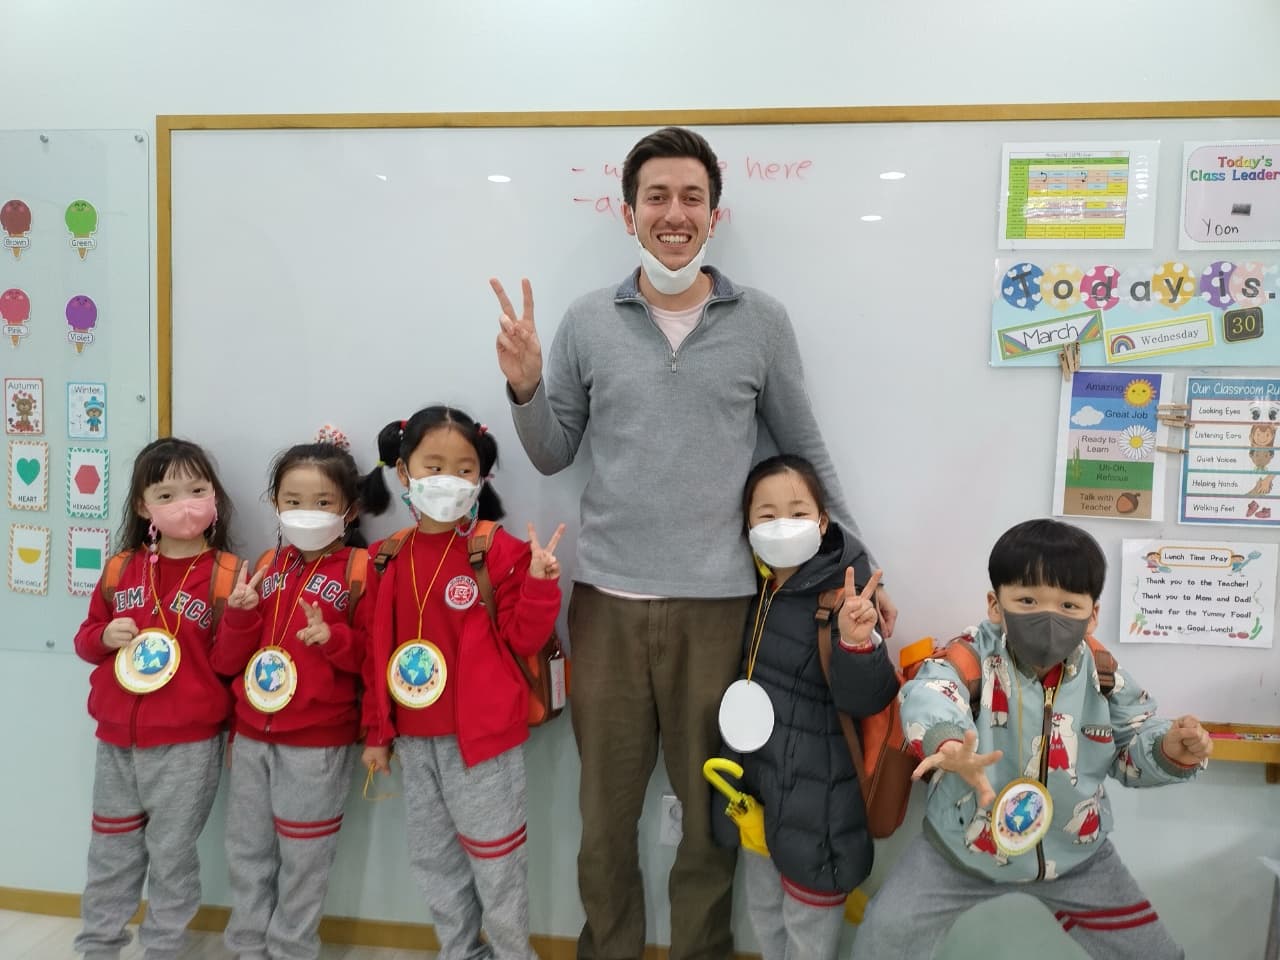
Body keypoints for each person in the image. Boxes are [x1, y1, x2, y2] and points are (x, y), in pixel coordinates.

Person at [490, 125, 897, 960]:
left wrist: (861, 564)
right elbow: (551, 452)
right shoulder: (585, 321)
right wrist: (526, 385)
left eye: (691, 198)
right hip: (606, 603)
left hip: (725, 610)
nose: (674, 214)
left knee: (709, 816)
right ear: (626, 211)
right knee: (604, 818)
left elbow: (804, 451)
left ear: (716, 213)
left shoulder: (761, 322)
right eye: (656, 197)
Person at [856, 518, 1212, 960]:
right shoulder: (972, 654)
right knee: (885, 933)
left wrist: (1170, 751)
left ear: (1093, 613)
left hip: (1078, 855)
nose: (1049, 618)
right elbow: (931, 692)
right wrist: (948, 743)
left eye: (1068, 604)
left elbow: (1132, 743)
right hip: (961, 848)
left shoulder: (1102, 673)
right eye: (1027, 600)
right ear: (994, 604)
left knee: (1152, 951)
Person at [360, 405, 564, 960]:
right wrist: (377, 733)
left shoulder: (498, 549)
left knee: (497, 863)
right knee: (434, 862)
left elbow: (524, 637)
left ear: (480, 478)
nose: (448, 479)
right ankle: (459, 952)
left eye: (463, 468)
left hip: (483, 746)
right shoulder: (383, 558)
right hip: (414, 740)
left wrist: (542, 583)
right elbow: (373, 656)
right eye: (433, 465)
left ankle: (511, 954)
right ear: (404, 473)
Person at [710, 455, 898, 960]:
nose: (781, 524)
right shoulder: (747, 587)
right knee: (766, 921)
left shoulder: (844, 598)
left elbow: (868, 697)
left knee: (808, 936)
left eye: (796, 512)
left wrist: (860, 643)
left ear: (822, 521)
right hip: (761, 791)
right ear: (747, 526)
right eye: (765, 514)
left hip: (822, 804)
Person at [72, 437, 245, 959]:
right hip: (117, 742)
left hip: (188, 745)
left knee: (171, 856)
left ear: (215, 499)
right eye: (166, 494)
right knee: (112, 852)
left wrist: (239, 616)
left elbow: (228, 667)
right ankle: (98, 946)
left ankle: (163, 949)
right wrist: (103, 638)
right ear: (144, 506)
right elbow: (86, 639)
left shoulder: (228, 573)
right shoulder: (121, 568)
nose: (184, 504)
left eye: (197, 489)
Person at [219, 428, 376, 960]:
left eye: (322, 502)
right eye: (293, 501)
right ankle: (246, 948)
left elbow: (372, 662)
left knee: (304, 860)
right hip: (251, 736)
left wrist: (334, 640)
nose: (306, 511)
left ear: (349, 510)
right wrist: (239, 617)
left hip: (317, 742)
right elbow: (231, 659)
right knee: (247, 852)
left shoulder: (361, 570)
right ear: (275, 505)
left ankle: (291, 950)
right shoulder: (263, 567)